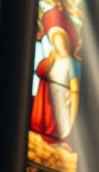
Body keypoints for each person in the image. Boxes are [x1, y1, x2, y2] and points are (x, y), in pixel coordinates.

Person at [30, 9, 81, 142]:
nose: (59, 44)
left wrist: (73, 93)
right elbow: (41, 71)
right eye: (56, 41)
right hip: (49, 93)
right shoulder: (51, 58)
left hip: (62, 95)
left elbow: (74, 83)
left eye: (61, 41)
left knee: (60, 118)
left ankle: (62, 134)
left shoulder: (70, 62)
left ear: (66, 42)